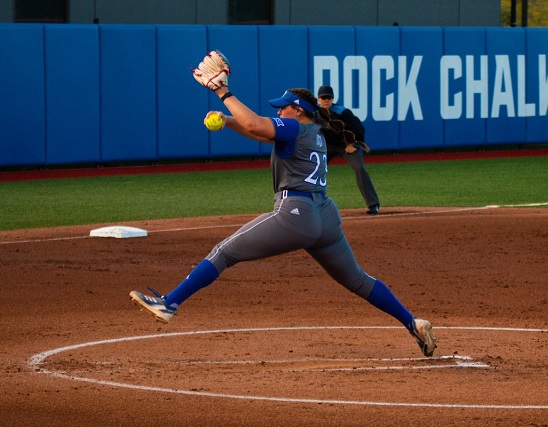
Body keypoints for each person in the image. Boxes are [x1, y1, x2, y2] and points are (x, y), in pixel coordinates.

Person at [129, 57, 436, 358]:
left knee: (224, 252)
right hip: (326, 216)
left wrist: (223, 93)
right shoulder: (313, 132)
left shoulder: (296, 128)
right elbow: (255, 129)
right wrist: (228, 120)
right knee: (357, 279)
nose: (278, 110)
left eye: (282, 107)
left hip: (296, 213)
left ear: (298, 110)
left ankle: (169, 303)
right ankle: (412, 322)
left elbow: (256, 123)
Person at [317, 85, 381, 215]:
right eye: (323, 97)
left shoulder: (342, 112)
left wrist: (352, 143)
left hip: (348, 144)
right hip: (328, 146)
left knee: (360, 169)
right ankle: (314, 204)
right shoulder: (315, 114)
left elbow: (359, 128)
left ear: (333, 98)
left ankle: (373, 204)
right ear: (318, 99)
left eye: (328, 97)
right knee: (315, 169)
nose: (326, 100)